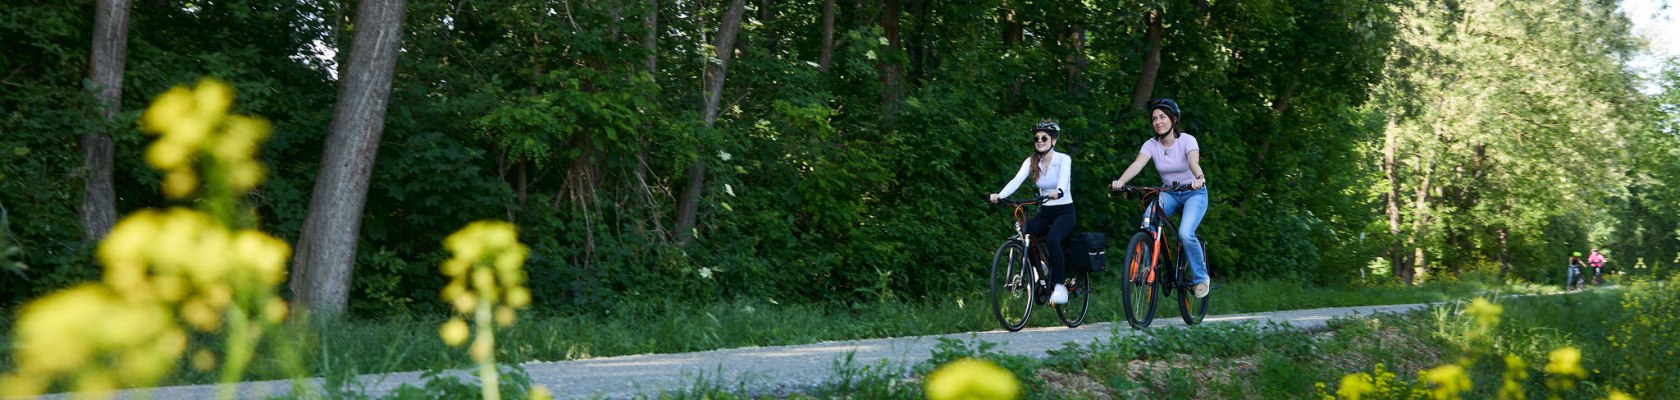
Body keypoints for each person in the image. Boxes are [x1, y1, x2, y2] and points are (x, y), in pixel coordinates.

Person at [1109, 98, 1212, 298]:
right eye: (1154, 118)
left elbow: (1193, 162)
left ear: (1173, 119)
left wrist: (1199, 178)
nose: (1158, 122)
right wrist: (1120, 181)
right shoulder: (1151, 144)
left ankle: (1201, 278)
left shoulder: (1187, 140)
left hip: (1194, 192)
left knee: (1185, 233)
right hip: (1169, 193)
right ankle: (1148, 267)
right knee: (1148, 220)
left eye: (1162, 117)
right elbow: (1138, 164)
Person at [990, 120, 1076, 304]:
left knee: (1053, 239)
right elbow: (1016, 180)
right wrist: (1000, 195)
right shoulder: (1031, 161)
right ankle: (1039, 270)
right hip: (1045, 210)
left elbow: (1063, 180)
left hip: (1064, 211)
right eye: (1036, 137)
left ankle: (1060, 288)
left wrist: (1058, 191)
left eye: (1044, 137)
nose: (1039, 140)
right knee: (1025, 235)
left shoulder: (1063, 159)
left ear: (1053, 140)